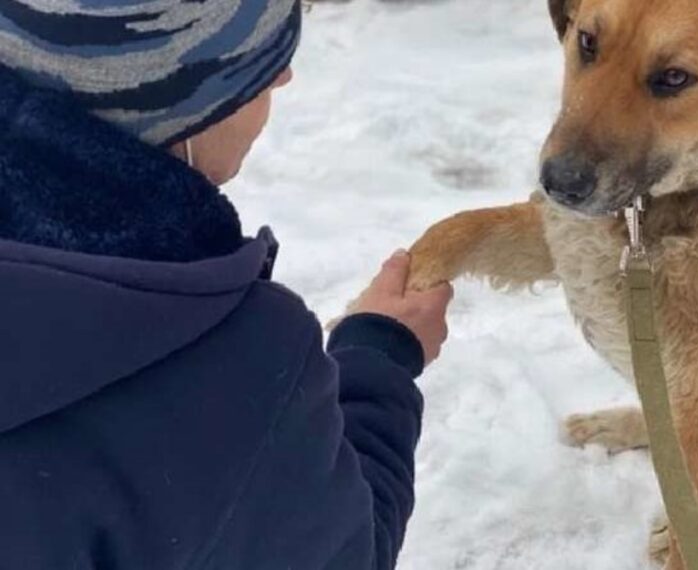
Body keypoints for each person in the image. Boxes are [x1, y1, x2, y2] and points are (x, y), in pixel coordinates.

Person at [0, 1, 453, 568]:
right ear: (174, 96)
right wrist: (379, 357)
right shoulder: (235, 361)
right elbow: (346, 553)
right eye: (257, 66)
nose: (284, 75)